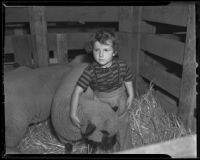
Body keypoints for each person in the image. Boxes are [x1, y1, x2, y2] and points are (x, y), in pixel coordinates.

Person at [70, 30, 134, 133]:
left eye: (106, 50)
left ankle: (125, 148)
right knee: (104, 130)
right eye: (97, 50)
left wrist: (131, 94)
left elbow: (128, 78)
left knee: (123, 126)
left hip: (120, 101)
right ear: (92, 50)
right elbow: (77, 91)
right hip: (101, 106)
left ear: (114, 52)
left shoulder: (121, 65)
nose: (100, 54)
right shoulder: (90, 71)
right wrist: (72, 113)